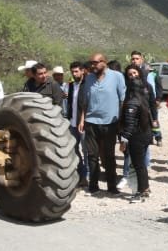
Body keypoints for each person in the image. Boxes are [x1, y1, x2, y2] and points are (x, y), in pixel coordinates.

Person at [77, 53, 125, 195]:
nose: (92, 66)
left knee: (109, 155)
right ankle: (93, 185)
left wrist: (121, 122)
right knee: (92, 155)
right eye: (91, 63)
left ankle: (111, 186)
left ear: (104, 62)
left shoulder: (117, 76)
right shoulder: (89, 78)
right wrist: (82, 119)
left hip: (110, 122)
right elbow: (85, 101)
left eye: (95, 63)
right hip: (91, 122)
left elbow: (122, 100)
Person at [118, 63, 154, 202]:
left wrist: (123, 140)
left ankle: (140, 192)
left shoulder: (132, 102)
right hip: (146, 134)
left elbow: (130, 125)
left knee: (138, 165)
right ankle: (145, 188)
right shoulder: (142, 101)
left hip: (136, 137)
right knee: (142, 165)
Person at [65, 61, 88, 186]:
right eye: (72, 71)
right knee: (73, 149)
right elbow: (70, 103)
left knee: (86, 150)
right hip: (72, 122)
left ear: (82, 71)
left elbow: (87, 104)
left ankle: (88, 176)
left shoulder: (88, 84)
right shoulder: (72, 85)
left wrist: (83, 120)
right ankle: (81, 173)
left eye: (76, 71)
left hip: (84, 123)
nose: (74, 74)